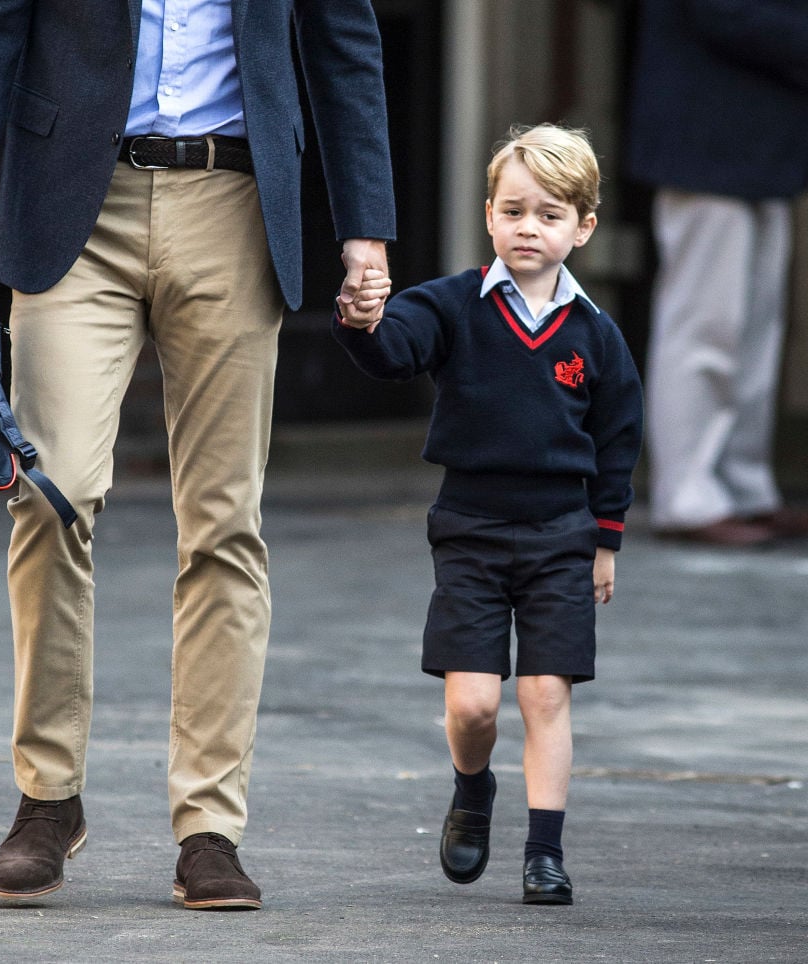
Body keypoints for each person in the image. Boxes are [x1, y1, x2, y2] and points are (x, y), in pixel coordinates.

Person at [0, 0, 395, 910]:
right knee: (52, 495)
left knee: (224, 523)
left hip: (234, 200)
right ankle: (48, 798)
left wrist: (365, 224)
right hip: (70, 204)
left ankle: (210, 828)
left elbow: (343, 40)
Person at [333, 124, 643, 904]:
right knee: (473, 704)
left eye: (548, 215)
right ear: (488, 216)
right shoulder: (451, 306)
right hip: (470, 529)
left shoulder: (597, 337)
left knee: (545, 693)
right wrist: (365, 321)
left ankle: (545, 853)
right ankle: (474, 789)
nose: (528, 228)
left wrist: (606, 540)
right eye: (513, 212)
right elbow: (394, 350)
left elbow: (617, 440)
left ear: (584, 228)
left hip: (562, 536)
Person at [625, 0, 808, 547]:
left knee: (756, 330)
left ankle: (742, 488)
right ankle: (688, 495)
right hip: (708, 133)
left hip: (762, 140)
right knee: (706, 324)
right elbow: (726, 11)